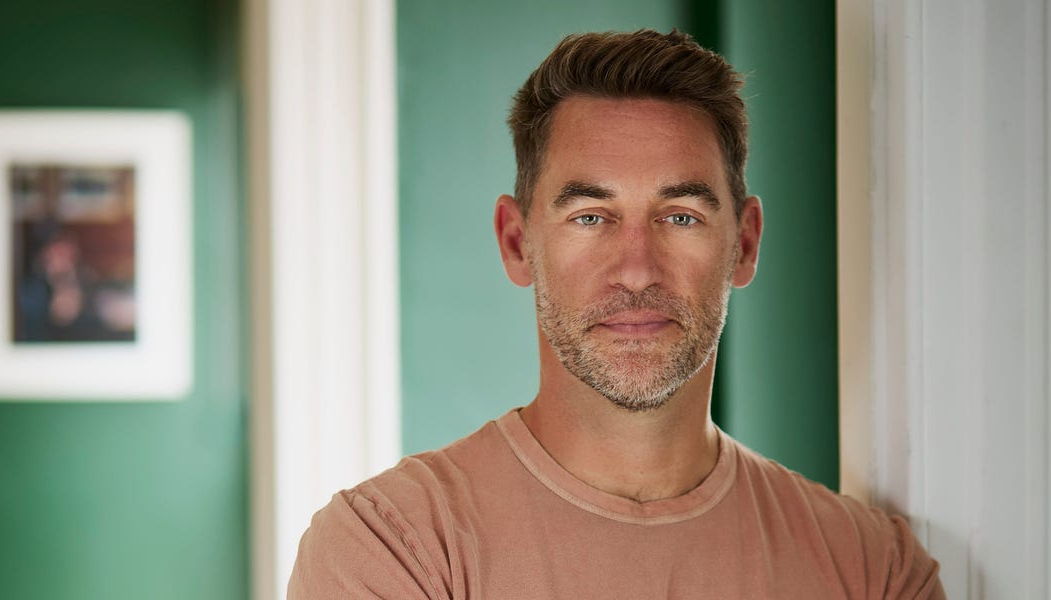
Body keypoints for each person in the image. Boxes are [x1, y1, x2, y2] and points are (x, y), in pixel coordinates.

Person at [289, 29, 945, 599]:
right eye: (590, 217)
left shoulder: (872, 569)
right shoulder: (392, 547)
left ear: (744, 244)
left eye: (680, 217)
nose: (636, 270)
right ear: (517, 243)